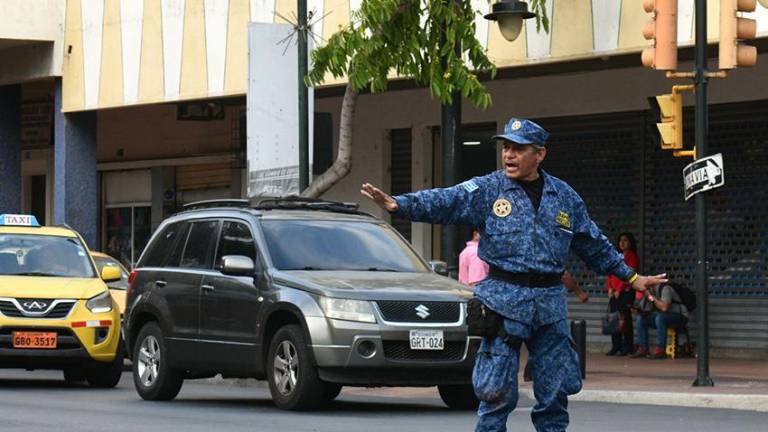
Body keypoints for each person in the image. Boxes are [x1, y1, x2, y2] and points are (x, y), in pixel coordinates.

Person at [360, 117, 667, 432]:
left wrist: (633, 278)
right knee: (496, 396)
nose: (509, 155)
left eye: (519, 149)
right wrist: (400, 204)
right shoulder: (489, 188)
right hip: (502, 304)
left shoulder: (564, 197)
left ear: (540, 154)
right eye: (506, 147)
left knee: (554, 397)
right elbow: (447, 200)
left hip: (549, 307)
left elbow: (594, 244)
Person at [631, 283, 689, 359]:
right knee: (641, 319)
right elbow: (645, 310)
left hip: (679, 316)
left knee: (660, 318)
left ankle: (660, 350)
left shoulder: (665, 289)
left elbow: (664, 308)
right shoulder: (647, 294)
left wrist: (652, 297)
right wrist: (638, 310)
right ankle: (643, 348)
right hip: (662, 317)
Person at [604, 232, 639, 356]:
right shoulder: (616, 255)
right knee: (614, 319)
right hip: (614, 292)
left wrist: (619, 289)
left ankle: (627, 346)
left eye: (625, 240)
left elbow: (629, 274)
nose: (622, 243)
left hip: (625, 292)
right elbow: (610, 273)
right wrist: (610, 288)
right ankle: (616, 345)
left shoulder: (632, 256)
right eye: (620, 240)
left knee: (625, 319)